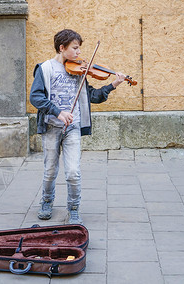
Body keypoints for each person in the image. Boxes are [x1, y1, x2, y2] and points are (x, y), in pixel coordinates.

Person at [29, 29, 126, 225]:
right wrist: (58, 112)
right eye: (75, 48)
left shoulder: (79, 71)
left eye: (79, 48)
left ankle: (73, 208)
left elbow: (93, 97)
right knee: (50, 170)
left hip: (72, 128)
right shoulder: (45, 69)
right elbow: (35, 97)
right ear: (62, 48)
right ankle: (47, 202)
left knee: (73, 172)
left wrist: (114, 83)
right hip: (51, 127)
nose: (79, 53)